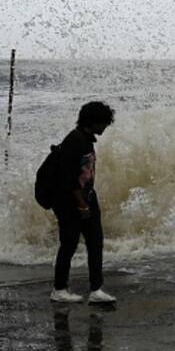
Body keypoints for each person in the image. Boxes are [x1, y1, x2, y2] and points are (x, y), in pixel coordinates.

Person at [50, 101, 116, 304]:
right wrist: (82, 205)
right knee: (68, 244)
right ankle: (59, 289)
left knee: (95, 243)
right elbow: (69, 179)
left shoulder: (87, 140)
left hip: (86, 197)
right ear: (93, 122)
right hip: (69, 201)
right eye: (104, 123)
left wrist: (88, 201)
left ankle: (96, 289)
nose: (106, 126)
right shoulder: (74, 140)